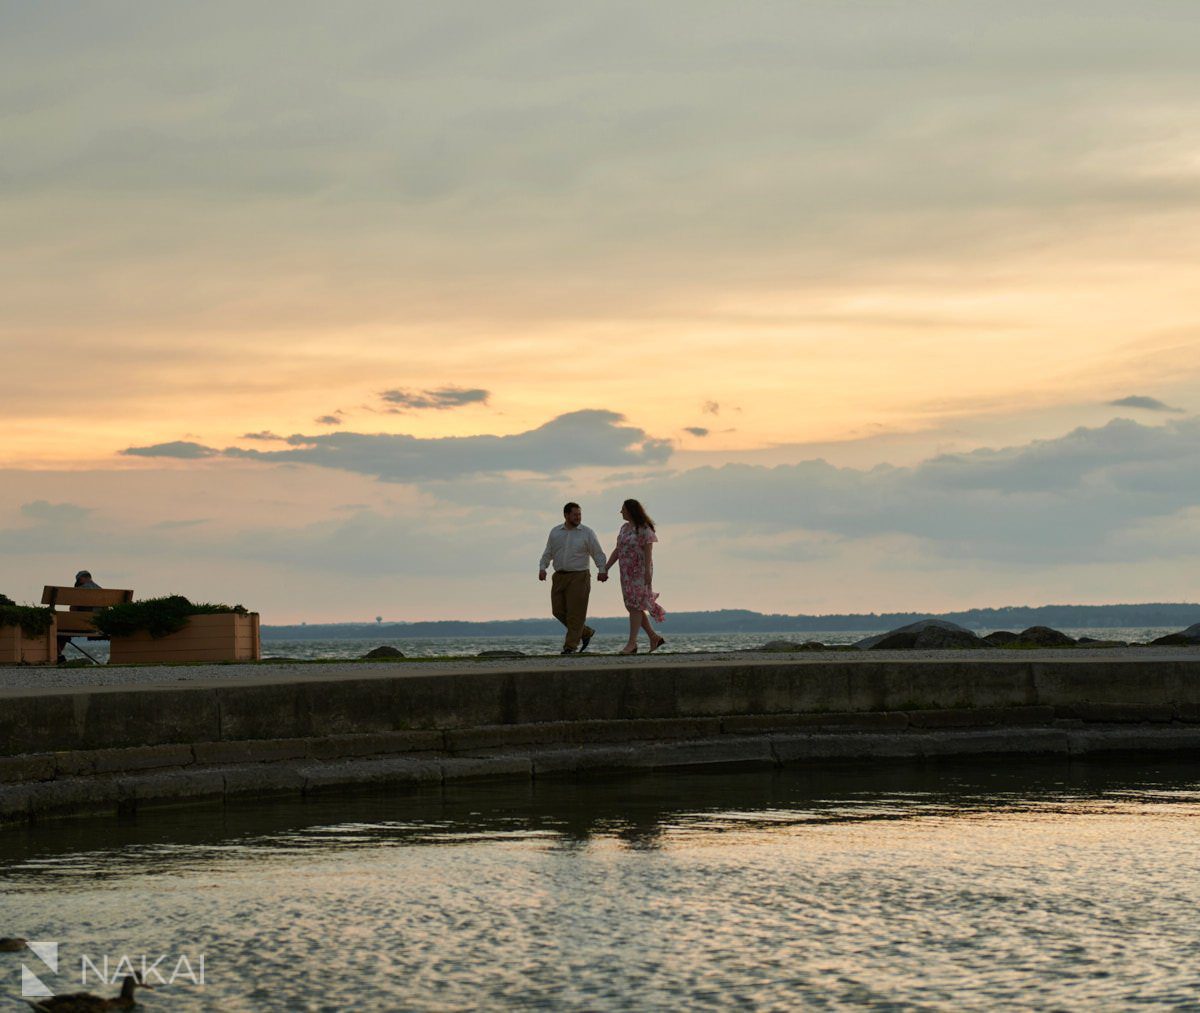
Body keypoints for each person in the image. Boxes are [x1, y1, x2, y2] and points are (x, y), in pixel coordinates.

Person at [539, 502, 608, 654]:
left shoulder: (587, 532)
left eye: (579, 514)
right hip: (559, 577)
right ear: (566, 515)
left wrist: (602, 570)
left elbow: (597, 552)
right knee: (557, 610)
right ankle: (585, 632)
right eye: (575, 514)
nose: (578, 517)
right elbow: (548, 552)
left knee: (575, 614)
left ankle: (570, 647)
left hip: (579, 576)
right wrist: (542, 567)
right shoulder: (555, 532)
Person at [606, 499, 666, 655]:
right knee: (633, 607)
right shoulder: (624, 528)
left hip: (639, 572)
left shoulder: (644, 529)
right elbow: (618, 550)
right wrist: (605, 568)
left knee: (635, 606)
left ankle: (631, 644)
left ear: (631, 511)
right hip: (626, 573)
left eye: (623, 509)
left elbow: (648, 553)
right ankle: (654, 637)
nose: (621, 512)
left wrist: (647, 573)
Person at [57, 569, 101, 662]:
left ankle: (58, 655)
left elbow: (72, 609)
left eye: (78, 580)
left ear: (82, 579)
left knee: (59, 629)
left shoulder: (80, 590)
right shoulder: (101, 590)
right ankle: (59, 655)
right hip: (99, 626)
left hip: (83, 626)